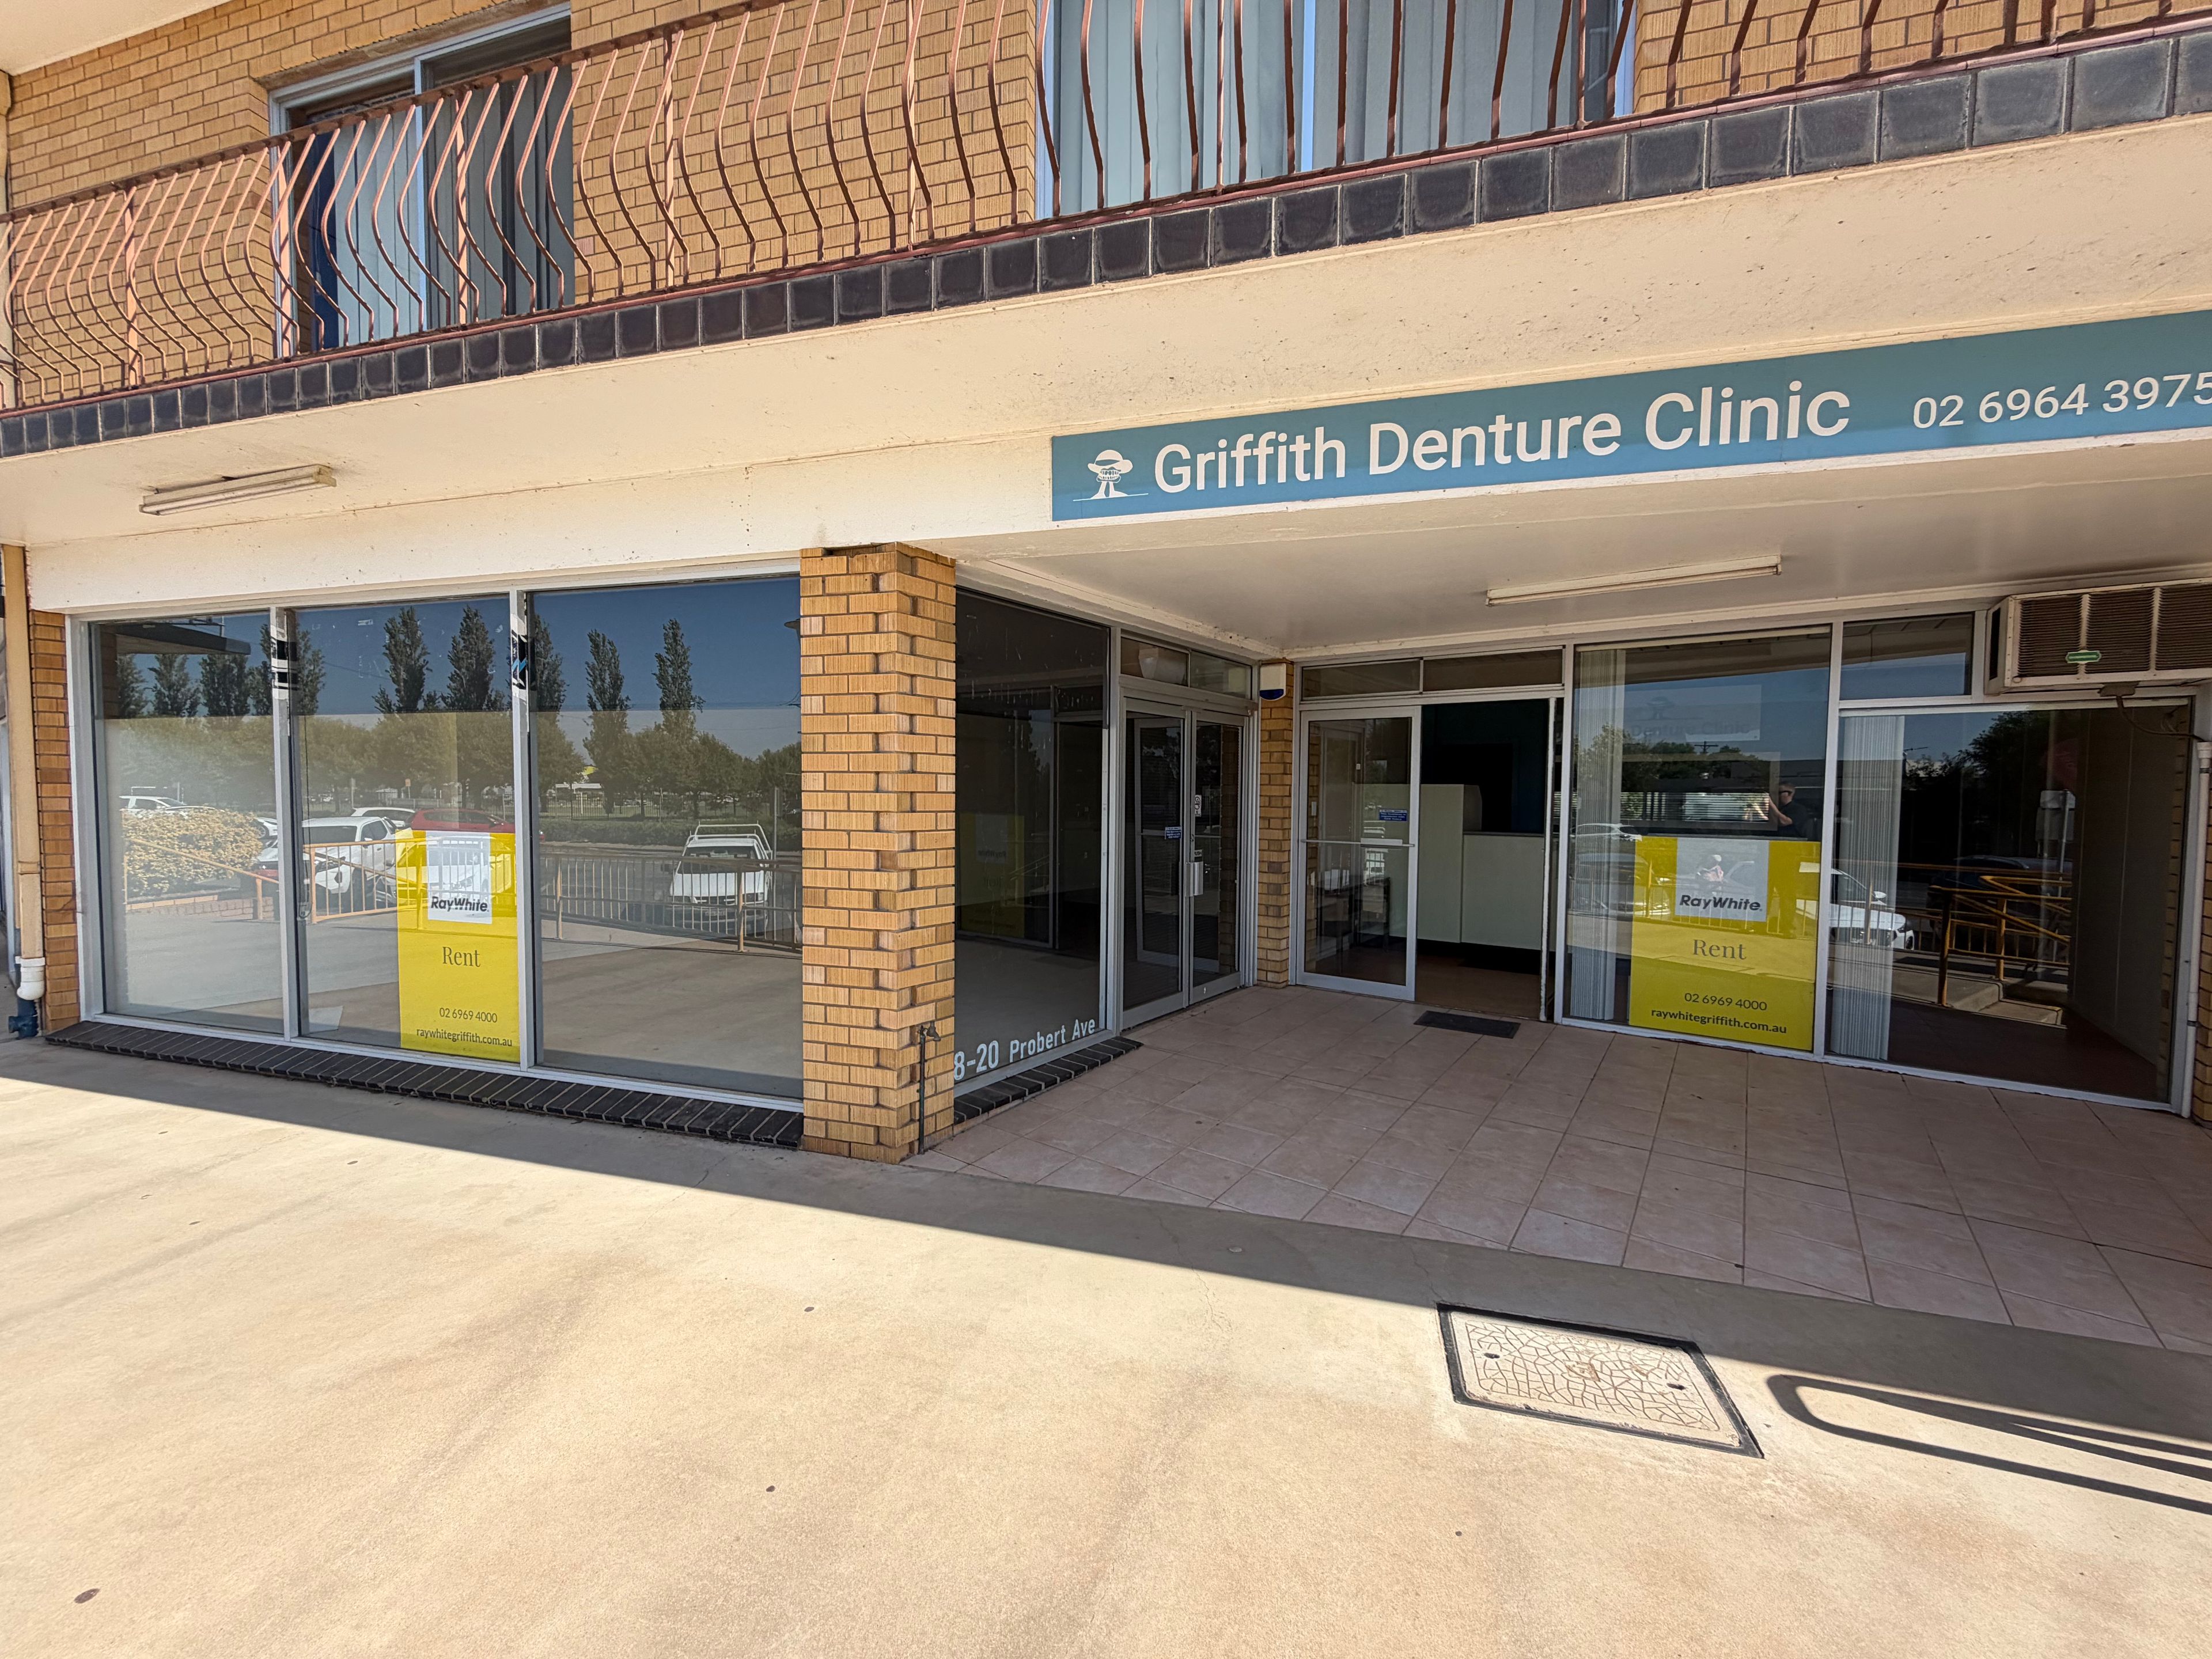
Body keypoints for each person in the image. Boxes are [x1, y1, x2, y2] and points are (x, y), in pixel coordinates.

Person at [1747, 782, 1818, 837]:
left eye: (1779, 793)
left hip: (1792, 843)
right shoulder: (1779, 808)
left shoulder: (1798, 809)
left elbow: (1783, 822)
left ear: (1790, 794)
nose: (1776, 796)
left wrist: (1770, 804)